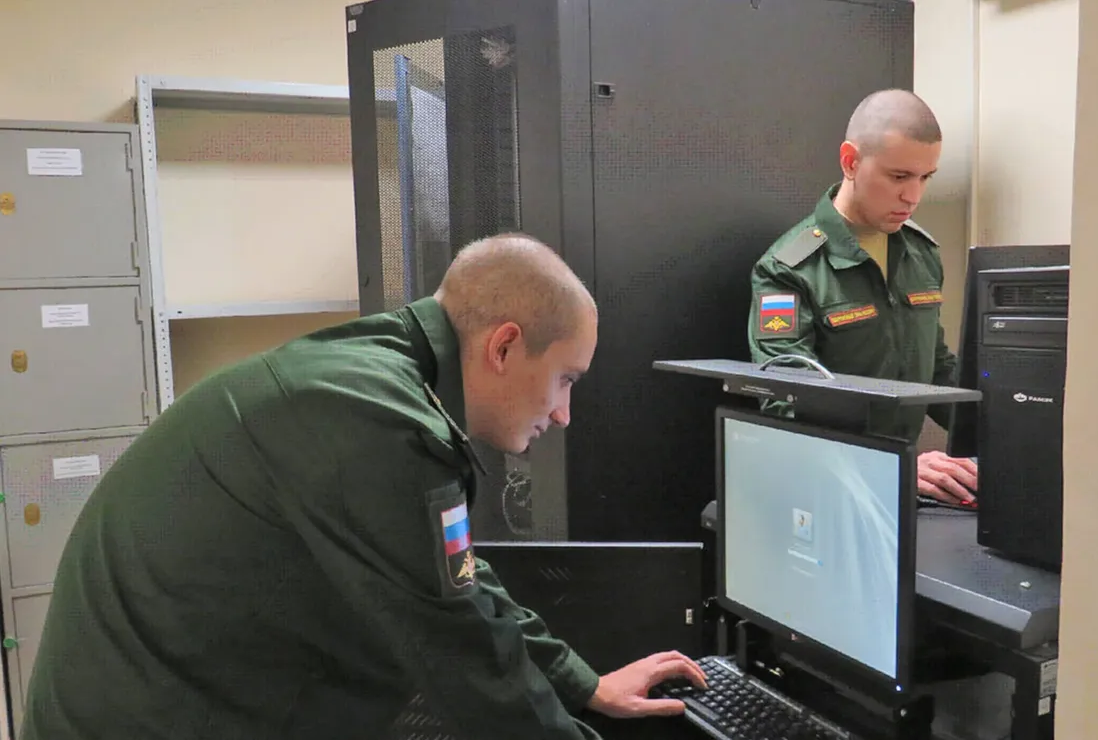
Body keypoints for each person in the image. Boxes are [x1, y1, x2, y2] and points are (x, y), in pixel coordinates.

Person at [22, 233, 706, 740]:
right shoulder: (382, 424)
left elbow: (459, 578)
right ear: (502, 347)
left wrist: (581, 683)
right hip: (152, 714)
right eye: (565, 380)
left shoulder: (379, 378)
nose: (563, 414)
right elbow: (470, 660)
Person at [747, 89, 978, 505]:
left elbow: (937, 370)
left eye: (926, 177)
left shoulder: (921, 254)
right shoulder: (789, 269)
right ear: (851, 162)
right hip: (825, 492)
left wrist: (1002, 440)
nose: (913, 196)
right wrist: (894, 465)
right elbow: (786, 406)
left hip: (900, 491)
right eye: (899, 177)